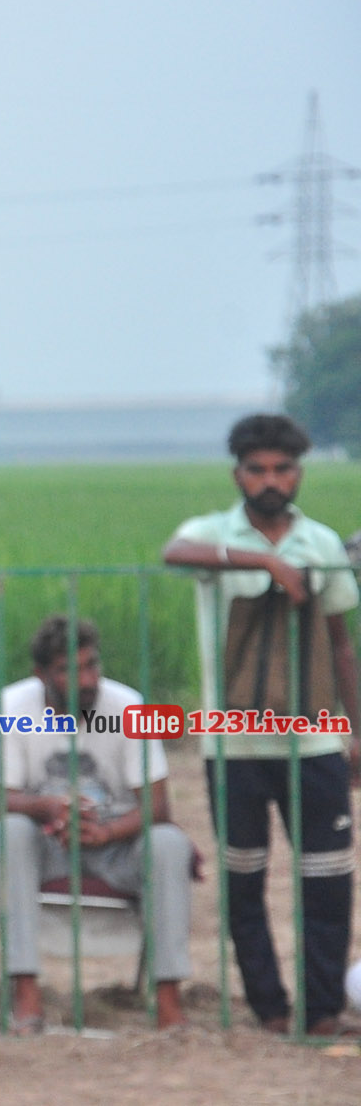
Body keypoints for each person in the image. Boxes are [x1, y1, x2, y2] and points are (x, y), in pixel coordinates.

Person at [164, 413, 360, 1036]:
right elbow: (174, 554)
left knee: (328, 878)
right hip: (234, 745)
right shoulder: (211, 534)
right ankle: (269, 1009)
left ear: (298, 473)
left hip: (314, 740)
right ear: (238, 475)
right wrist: (262, 562)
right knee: (244, 879)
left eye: (282, 469)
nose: (270, 481)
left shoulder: (321, 543)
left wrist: (356, 729)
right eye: (257, 470)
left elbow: (340, 642)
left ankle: (323, 1010)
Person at [0, 615, 192, 1034]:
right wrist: (48, 807)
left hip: (117, 843)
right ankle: (26, 996)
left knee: (169, 842)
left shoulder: (128, 706)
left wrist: (108, 831)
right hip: (47, 842)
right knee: (7, 834)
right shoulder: (10, 707)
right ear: (41, 674)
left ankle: (169, 1003)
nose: (87, 680)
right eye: (69, 670)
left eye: (91, 665)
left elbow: (158, 805)